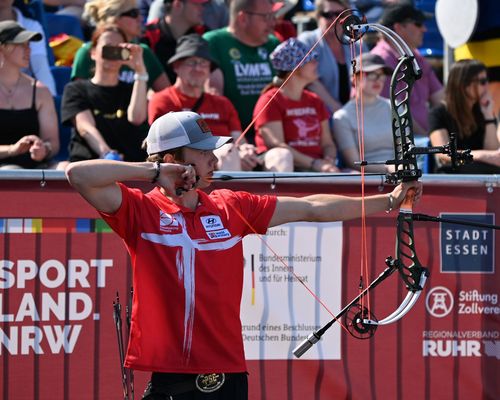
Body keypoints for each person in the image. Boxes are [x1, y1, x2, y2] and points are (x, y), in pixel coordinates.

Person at [65, 110, 422, 399]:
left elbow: (311, 208)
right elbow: (78, 175)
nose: (214, 158)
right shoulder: (139, 210)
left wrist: (388, 201)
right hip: (171, 377)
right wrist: (154, 172)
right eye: (203, 151)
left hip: (228, 372)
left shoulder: (229, 205)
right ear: (174, 159)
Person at [148, 33, 261, 171]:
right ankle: (229, 193)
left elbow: (238, 139)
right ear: (176, 66)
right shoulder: (163, 100)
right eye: (192, 62)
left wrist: (244, 150)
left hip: (229, 161)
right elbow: (163, 147)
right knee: (229, 150)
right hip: (188, 166)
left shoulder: (222, 103)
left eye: (203, 63)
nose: (198, 68)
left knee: (279, 154)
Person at [61, 24, 148, 163]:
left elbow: (137, 118)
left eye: (118, 49)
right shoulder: (76, 89)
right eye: (108, 48)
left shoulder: (133, 89)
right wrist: (107, 154)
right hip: (90, 163)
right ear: (93, 52)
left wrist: (140, 71)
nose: (113, 53)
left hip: (129, 165)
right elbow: (85, 127)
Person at [253, 38, 339, 172]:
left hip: (319, 167)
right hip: (287, 167)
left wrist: (329, 158)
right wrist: (315, 163)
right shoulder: (270, 100)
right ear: (295, 69)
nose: (316, 63)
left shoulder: (315, 100)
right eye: (310, 60)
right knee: (282, 156)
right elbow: (277, 145)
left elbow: (328, 143)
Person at [203, 0, 280, 144]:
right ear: (243, 18)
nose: (272, 23)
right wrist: (238, 142)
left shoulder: (273, 44)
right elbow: (214, 95)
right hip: (231, 135)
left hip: (271, 133)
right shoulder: (214, 42)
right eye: (266, 17)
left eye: (273, 16)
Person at [370, 3, 444, 137]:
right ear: (398, 28)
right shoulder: (379, 61)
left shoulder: (417, 57)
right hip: (399, 144)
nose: (424, 29)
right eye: (418, 24)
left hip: (424, 141)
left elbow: (441, 99)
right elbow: (394, 112)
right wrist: (430, 140)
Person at [72, 0, 169, 92]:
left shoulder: (142, 52)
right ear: (114, 19)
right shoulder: (89, 52)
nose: (140, 18)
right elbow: (78, 98)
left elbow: (168, 95)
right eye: (133, 14)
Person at [0, 21, 59, 169]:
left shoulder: (40, 91)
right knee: (11, 171)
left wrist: (44, 149)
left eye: (28, 45)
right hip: (4, 170)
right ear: (2, 48)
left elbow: (52, 142)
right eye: (21, 45)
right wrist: (12, 150)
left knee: (65, 169)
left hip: (35, 168)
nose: (28, 50)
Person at [428, 59, 500, 174]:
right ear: (464, 85)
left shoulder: (482, 112)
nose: (487, 85)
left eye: (487, 80)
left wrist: (488, 116)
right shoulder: (438, 113)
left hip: (482, 171)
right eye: (482, 81)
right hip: (453, 173)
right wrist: (482, 155)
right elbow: (443, 154)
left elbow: (492, 151)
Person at [333, 52, 394, 172]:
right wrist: (388, 168)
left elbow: (405, 149)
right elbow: (353, 162)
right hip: (367, 179)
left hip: (400, 173)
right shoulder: (342, 117)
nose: (378, 80)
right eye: (371, 74)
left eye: (382, 75)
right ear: (354, 78)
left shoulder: (394, 107)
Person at [297, 0, 352, 114]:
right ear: (318, 16)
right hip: (319, 116)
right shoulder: (307, 41)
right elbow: (310, 82)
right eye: (327, 15)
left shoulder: (356, 45)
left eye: (339, 15)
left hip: (352, 117)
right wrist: (338, 110)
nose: (334, 19)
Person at [140, 0, 207, 84]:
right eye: (196, 4)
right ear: (177, 4)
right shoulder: (148, 35)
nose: (202, 8)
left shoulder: (204, 35)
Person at [0, 0, 56, 95]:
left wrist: (51, 99)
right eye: (20, 43)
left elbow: (41, 70)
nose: (27, 49)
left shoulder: (32, 27)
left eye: (28, 44)